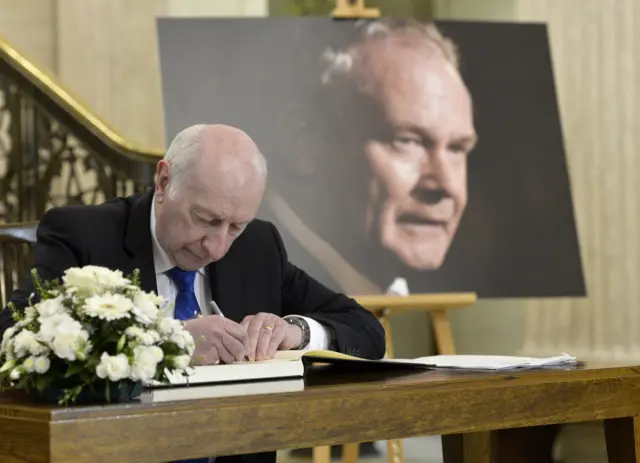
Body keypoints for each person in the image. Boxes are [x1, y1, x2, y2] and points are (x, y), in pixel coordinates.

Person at [1, 123, 386, 463]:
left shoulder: (258, 246)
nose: (216, 247)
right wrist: (175, 342)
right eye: (206, 220)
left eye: (235, 226)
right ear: (165, 182)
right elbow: (14, 339)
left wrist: (294, 332)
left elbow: (365, 329)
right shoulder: (83, 236)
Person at [263, 18, 477, 298]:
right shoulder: (248, 284)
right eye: (407, 141)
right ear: (303, 141)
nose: (446, 185)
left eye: (456, 149)